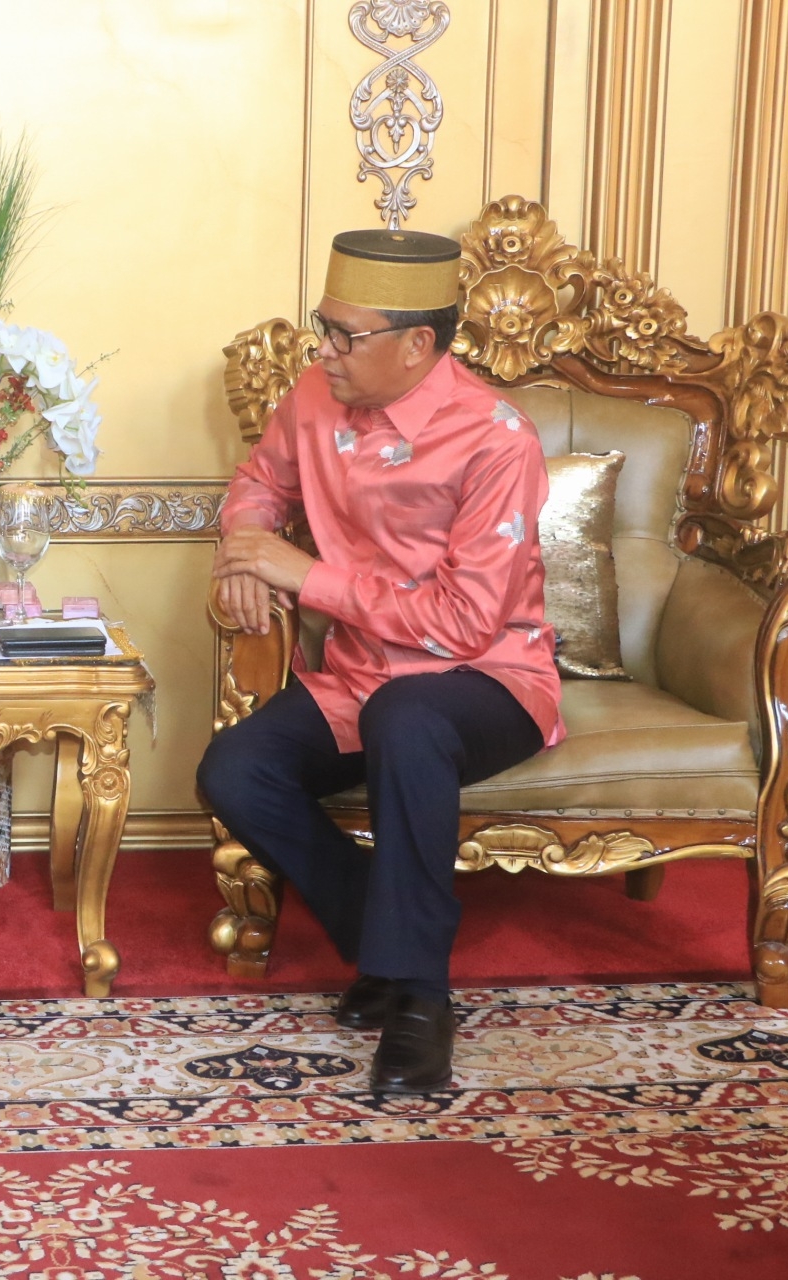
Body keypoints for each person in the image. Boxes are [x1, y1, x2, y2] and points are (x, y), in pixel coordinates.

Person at [197, 228, 562, 1095]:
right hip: (360, 677)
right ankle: (384, 936)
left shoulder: (496, 440)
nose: (323, 349)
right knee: (234, 770)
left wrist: (304, 574)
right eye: (322, 326)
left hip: (491, 680)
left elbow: (466, 623)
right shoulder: (314, 397)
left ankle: (420, 1003)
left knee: (408, 717)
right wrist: (245, 549)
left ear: (416, 343)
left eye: (344, 334)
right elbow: (259, 481)